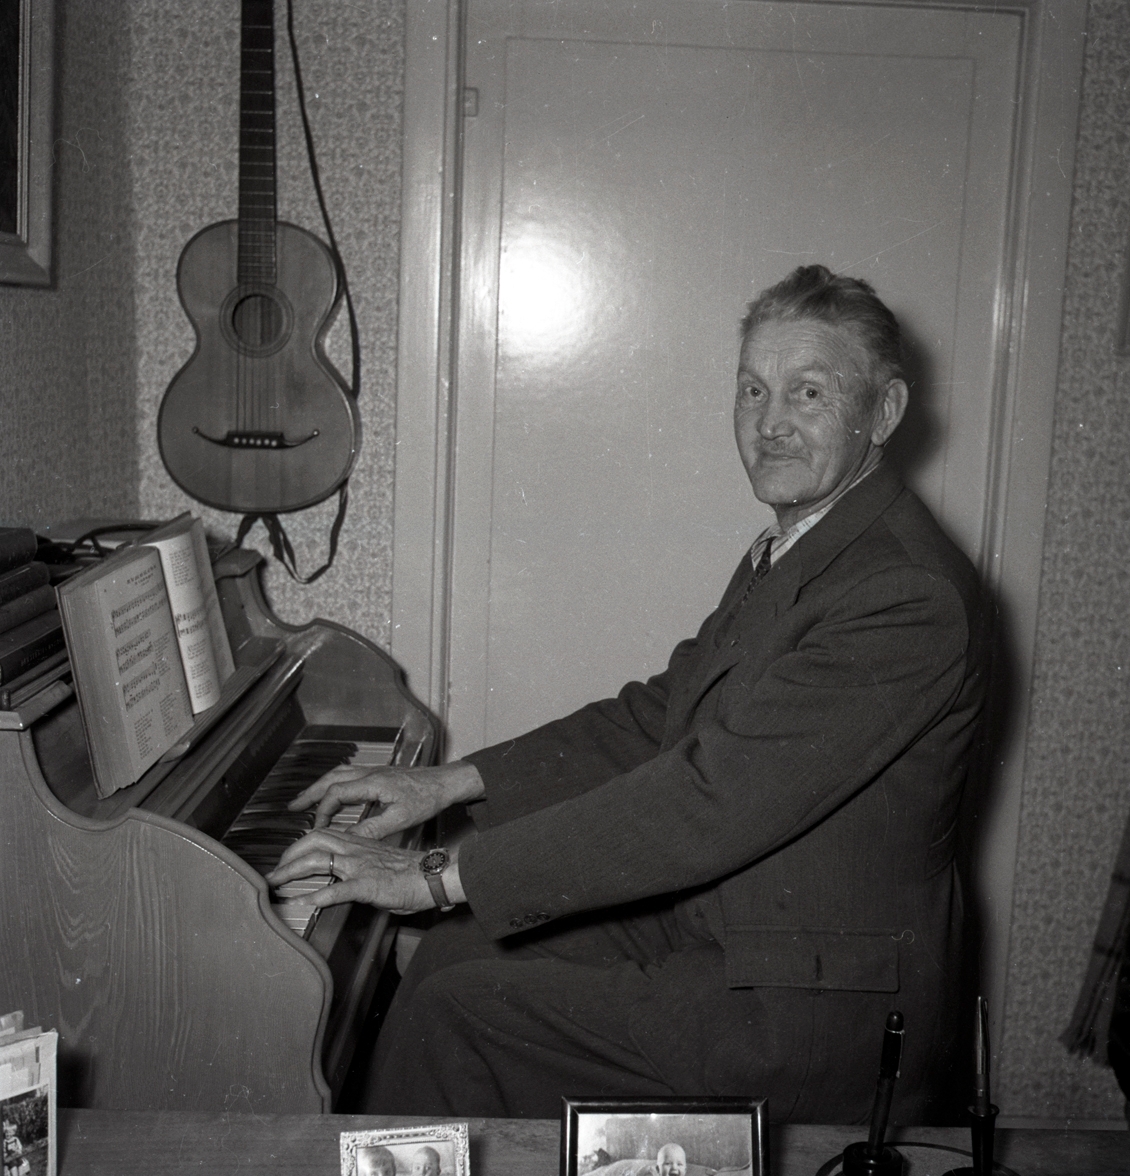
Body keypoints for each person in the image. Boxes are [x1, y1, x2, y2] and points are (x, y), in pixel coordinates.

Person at [268, 265, 987, 1124]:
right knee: (455, 950)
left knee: (458, 1017)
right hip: (736, 930)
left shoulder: (903, 593)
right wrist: (446, 784)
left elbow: (708, 799)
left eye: (807, 393)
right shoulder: (807, 541)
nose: (769, 424)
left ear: (885, 411)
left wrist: (429, 875)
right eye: (752, 390)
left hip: (817, 1005)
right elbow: (661, 714)